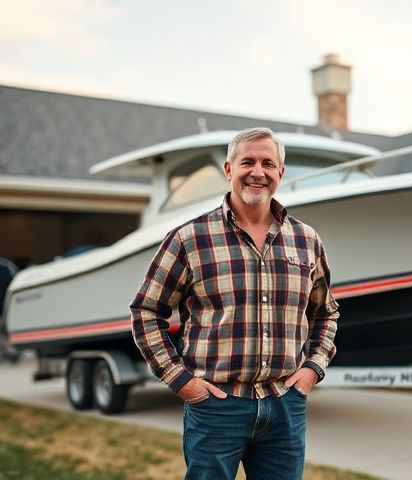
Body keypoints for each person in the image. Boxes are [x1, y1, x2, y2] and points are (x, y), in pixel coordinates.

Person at [130, 127, 339, 480]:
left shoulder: (307, 240)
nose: (258, 171)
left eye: (268, 163)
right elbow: (146, 312)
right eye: (248, 162)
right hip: (216, 407)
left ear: (280, 174)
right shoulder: (189, 238)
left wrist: (312, 369)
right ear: (229, 170)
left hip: (284, 405)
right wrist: (180, 380)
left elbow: (326, 313)